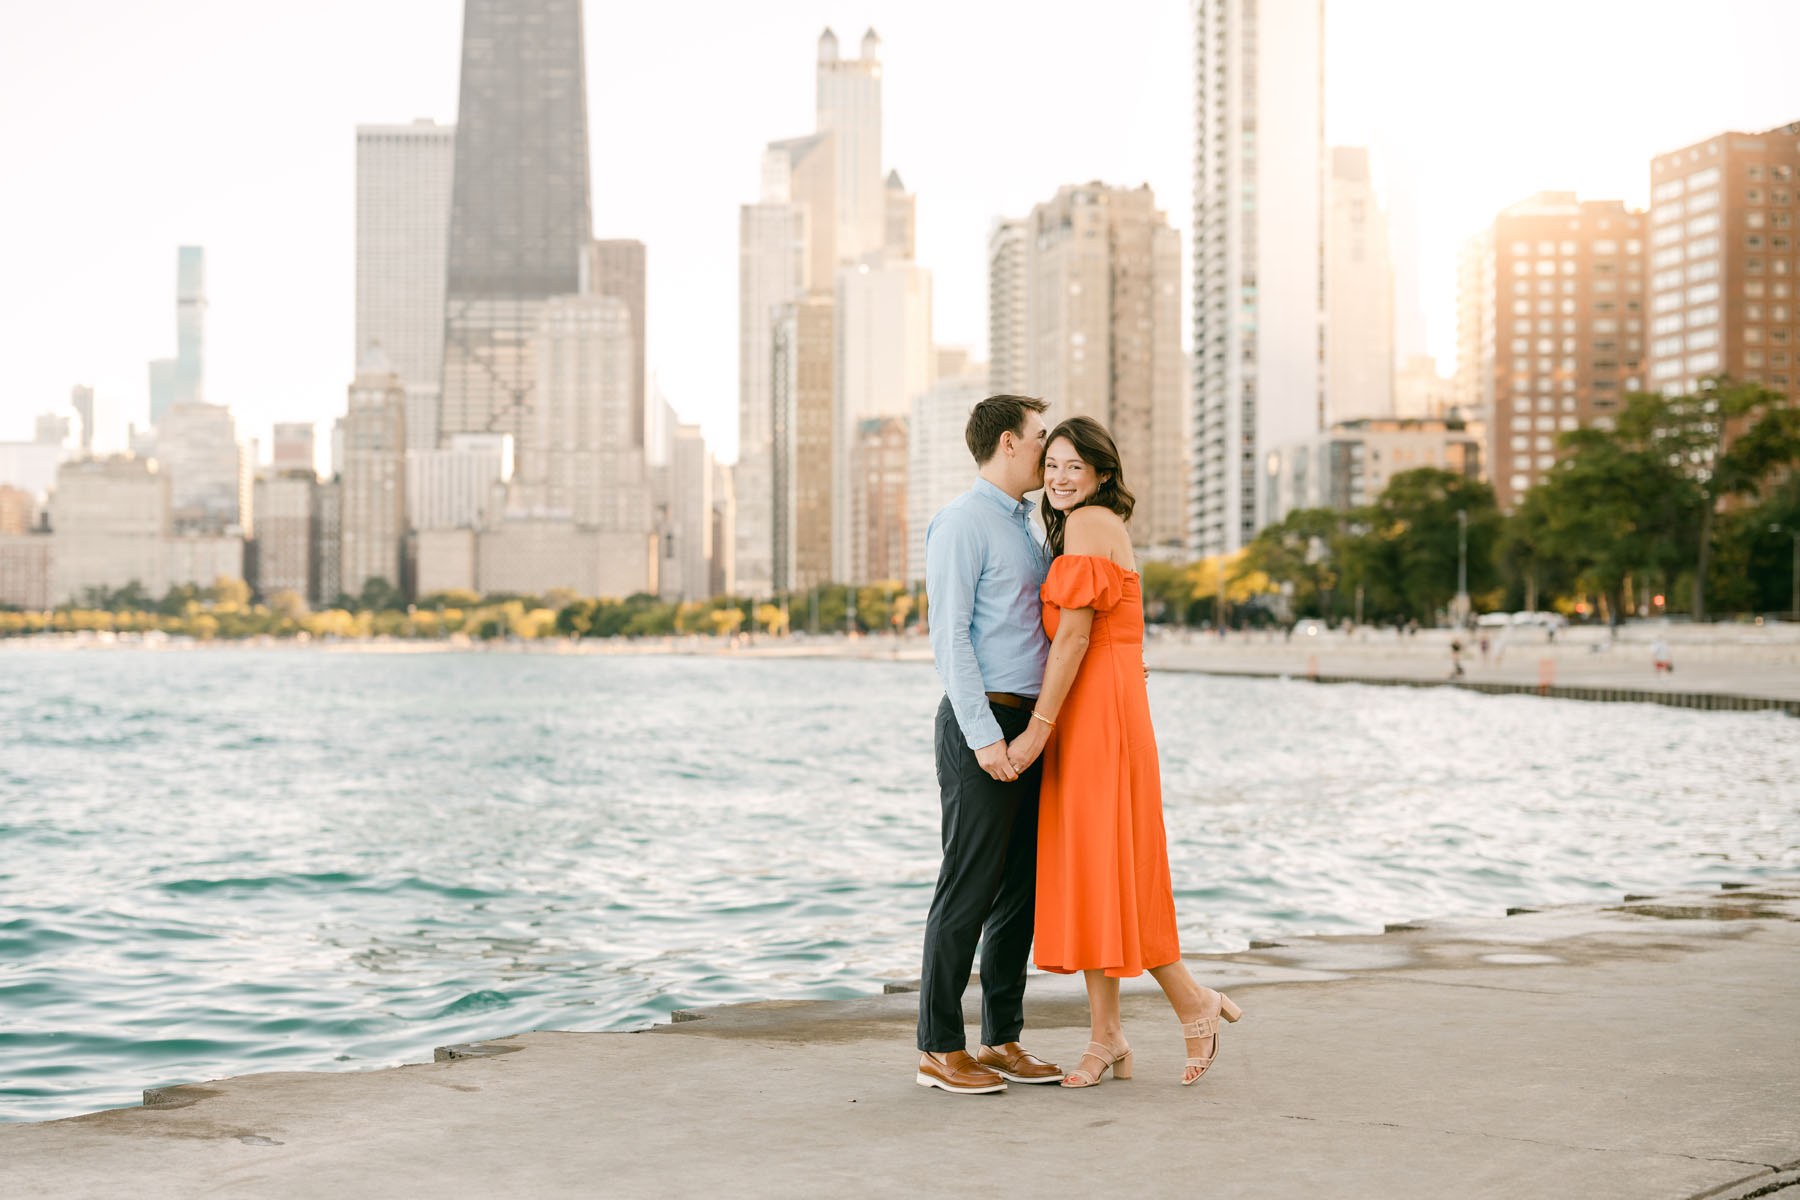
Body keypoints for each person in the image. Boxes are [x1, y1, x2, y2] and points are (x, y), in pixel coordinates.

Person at [1004, 416, 1242, 1089]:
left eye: (1073, 467)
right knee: (1096, 870)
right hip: (1105, 707)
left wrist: (1036, 730)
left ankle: (1190, 1002)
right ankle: (1107, 1037)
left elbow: (1075, 640)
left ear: (1102, 474)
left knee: (1108, 868)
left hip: (1095, 715)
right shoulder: (1086, 526)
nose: (1057, 478)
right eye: (1051, 465)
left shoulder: (1087, 524)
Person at [914, 394, 1063, 1095]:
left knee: (1018, 895)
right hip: (986, 727)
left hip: (1032, 726)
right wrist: (983, 741)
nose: (1049, 447)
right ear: (1009, 442)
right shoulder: (962, 522)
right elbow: (951, 640)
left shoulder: (1028, 527)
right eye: (1040, 437)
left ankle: (1001, 1038)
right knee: (967, 890)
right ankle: (939, 1049)